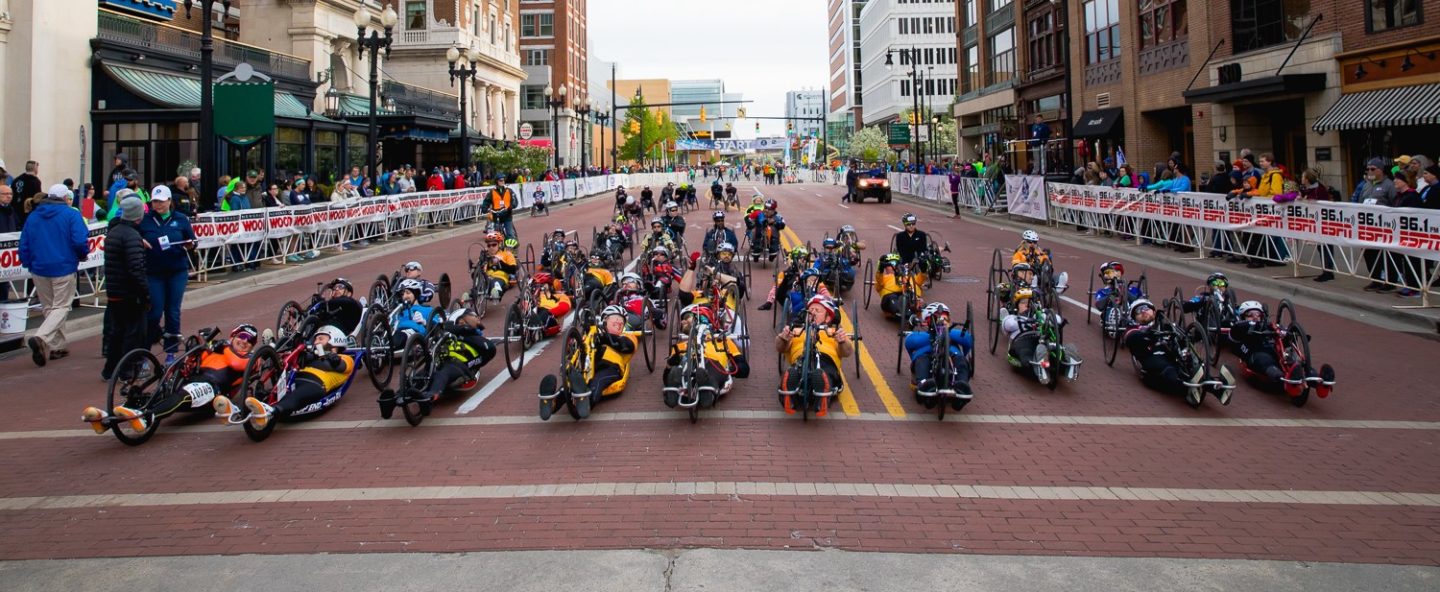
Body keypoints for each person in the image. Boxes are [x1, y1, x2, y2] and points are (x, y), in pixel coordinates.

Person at [89, 325, 260, 433]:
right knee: (159, 394)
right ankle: (109, 419)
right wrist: (201, 346)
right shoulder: (218, 348)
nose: (245, 342)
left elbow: (236, 364)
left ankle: (147, 417)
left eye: (250, 341)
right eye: (242, 337)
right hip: (192, 379)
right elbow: (191, 362)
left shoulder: (251, 357)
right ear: (234, 335)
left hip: (213, 388)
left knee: (183, 395)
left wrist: (226, 346)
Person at [213, 325, 356, 430]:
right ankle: (235, 410)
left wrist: (330, 357)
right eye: (316, 338)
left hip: (316, 384)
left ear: (335, 341)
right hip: (294, 379)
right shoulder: (310, 355)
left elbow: (342, 366)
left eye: (321, 338)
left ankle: (271, 412)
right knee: (268, 393)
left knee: (296, 396)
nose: (316, 341)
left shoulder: (344, 357)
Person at [17, 184, 91, 367]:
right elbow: (80, 241)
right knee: (61, 307)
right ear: (66, 197)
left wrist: (28, 262)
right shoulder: (71, 214)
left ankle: (58, 346)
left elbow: (24, 242)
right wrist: (81, 255)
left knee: (49, 307)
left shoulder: (34, 216)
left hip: (39, 267)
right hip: (63, 265)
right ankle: (42, 338)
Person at [383, 307, 496, 418]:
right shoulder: (447, 332)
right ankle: (393, 399)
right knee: (420, 376)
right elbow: (441, 328)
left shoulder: (478, 339)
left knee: (442, 374)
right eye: (473, 315)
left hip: (459, 365)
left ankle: (430, 397)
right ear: (461, 320)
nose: (477, 317)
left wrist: (463, 335)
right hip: (438, 362)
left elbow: (490, 349)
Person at [1124, 299, 1235, 406]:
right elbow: (1131, 338)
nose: (1143, 311)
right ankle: (1189, 390)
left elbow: (1185, 337)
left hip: (1173, 355)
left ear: (1153, 310)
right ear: (1134, 317)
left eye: (1146, 308)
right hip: (1152, 358)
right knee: (1169, 370)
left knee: (1192, 365)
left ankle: (1219, 390)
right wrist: (1149, 334)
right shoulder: (1134, 328)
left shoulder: (1166, 323)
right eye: (1138, 311)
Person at [537, 305, 639, 420]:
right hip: (588, 366)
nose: (618, 321)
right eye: (615, 318)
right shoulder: (592, 336)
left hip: (611, 367)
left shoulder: (628, 336)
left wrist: (604, 337)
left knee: (597, 382)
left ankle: (587, 402)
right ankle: (551, 402)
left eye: (622, 320)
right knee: (570, 384)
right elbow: (579, 348)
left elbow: (627, 346)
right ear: (605, 321)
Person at [138, 185, 198, 365]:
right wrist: (139, 241)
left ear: (170, 201)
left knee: (172, 311)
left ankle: (171, 352)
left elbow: (192, 240)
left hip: (176, 270)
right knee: (154, 311)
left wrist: (190, 244)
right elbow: (132, 235)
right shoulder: (145, 220)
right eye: (155, 201)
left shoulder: (180, 219)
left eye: (162, 201)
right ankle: (145, 352)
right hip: (154, 271)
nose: (158, 205)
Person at [775, 295, 853, 416]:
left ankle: (822, 395)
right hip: (801, 359)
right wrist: (783, 338)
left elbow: (847, 352)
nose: (813, 313)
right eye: (810, 310)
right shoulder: (796, 330)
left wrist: (843, 341)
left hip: (826, 360)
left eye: (818, 310)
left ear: (828, 317)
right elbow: (779, 347)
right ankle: (789, 396)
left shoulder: (833, 332)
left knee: (825, 372)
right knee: (794, 371)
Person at [101, 196, 151, 382]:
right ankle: (126, 369)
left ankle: (110, 369)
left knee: (117, 331)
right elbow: (135, 268)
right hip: (129, 292)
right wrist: (145, 292)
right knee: (133, 332)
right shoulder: (131, 235)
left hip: (114, 290)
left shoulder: (114, 232)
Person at [663, 304, 750, 409]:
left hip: (714, 367)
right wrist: (670, 364)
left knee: (709, 370)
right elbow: (666, 374)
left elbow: (744, 369)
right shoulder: (679, 346)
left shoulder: (722, 340)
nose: (682, 322)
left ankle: (707, 388)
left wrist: (729, 369)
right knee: (677, 370)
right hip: (688, 367)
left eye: (686, 317)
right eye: (681, 321)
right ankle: (675, 391)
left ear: (701, 317)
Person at [999, 287, 1080, 385]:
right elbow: (1008, 326)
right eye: (1024, 302)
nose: (1027, 305)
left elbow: (1057, 320)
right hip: (1023, 340)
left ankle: (1068, 361)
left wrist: (1043, 314)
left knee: (1056, 352)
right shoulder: (1012, 317)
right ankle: (1040, 363)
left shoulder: (1040, 315)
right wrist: (1025, 319)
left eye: (1030, 302)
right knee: (1025, 353)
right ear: (1017, 306)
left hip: (1042, 339)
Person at [904, 303, 974, 410]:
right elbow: (910, 342)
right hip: (927, 357)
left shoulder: (953, 335)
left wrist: (947, 332)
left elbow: (968, 340)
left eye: (944, 318)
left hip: (951, 357)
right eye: (936, 317)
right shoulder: (923, 337)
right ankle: (924, 384)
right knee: (922, 360)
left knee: (961, 360)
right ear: (926, 322)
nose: (940, 321)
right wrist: (934, 335)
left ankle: (962, 385)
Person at [389, 279, 443, 351]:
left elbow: (437, 327)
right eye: (402, 294)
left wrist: (424, 321)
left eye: (408, 293)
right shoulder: (399, 310)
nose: (404, 296)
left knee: (398, 338)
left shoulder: (428, 309)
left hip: (413, 333)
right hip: (396, 332)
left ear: (416, 294)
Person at [873, 252, 923, 323]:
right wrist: (880, 270)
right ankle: (907, 315)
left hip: (908, 295)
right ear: (885, 268)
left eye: (896, 263)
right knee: (892, 299)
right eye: (890, 264)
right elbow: (878, 286)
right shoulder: (884, 278)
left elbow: (920, 279)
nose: (894, 266)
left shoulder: (908, 277)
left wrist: (924, 269)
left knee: (915, 298)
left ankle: (911, 312)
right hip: (890, 296)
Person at [526, 271, 572, 338]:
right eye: (536, 285)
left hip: (548, 315)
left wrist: (550, 312)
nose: (537, 287)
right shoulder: (532, 295)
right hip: (531, 310)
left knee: (543, 312)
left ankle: (536, 329)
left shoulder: (559, 295)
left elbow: (565, 307)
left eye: (541, 285)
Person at [480, 232, 520, 301]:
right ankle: (470, 297)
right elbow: (475, 274)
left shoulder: (507, 254)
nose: (491, 247)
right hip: (486, 277)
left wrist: (500, 263)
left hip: (500, 277)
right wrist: (481, 262)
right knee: (479, 283)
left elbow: (513, 269)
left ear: (499, 244)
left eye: (494, 245)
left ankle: (496, 293)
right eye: (489, 246)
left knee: (496, 283)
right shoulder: (485, 256)